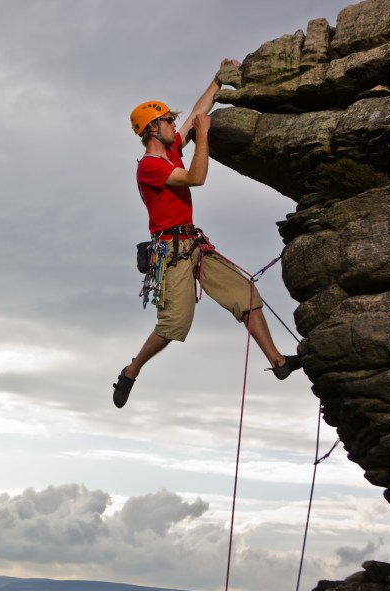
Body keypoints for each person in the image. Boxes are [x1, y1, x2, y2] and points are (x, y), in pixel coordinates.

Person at [113, 59, 301, 409]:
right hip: (171, 252)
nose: (174, 124)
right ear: (153, 128)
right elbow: (197, 178)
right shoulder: (151, 167)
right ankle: (131, 371)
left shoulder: (169, 151)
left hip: (192, 243)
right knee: (174, 326)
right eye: (168, 120)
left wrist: (218, 80)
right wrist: (204, 137)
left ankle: (278, 362)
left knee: (245, 295)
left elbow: (196, 113)